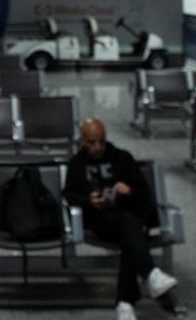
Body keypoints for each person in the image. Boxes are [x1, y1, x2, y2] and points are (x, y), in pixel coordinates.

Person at [62, 119, 177, 320]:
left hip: (129, 218)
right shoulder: (77, 164)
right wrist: (89, 200)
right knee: (132, 231)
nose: (97, 147)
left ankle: (125, 304)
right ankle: (149, 275)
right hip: (101, 222)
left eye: (101, 141)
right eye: (91, 142)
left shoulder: (122, 158)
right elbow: (69, 195)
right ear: (82, 141)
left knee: (129, 235)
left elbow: (145, 194)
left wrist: (129, 191)